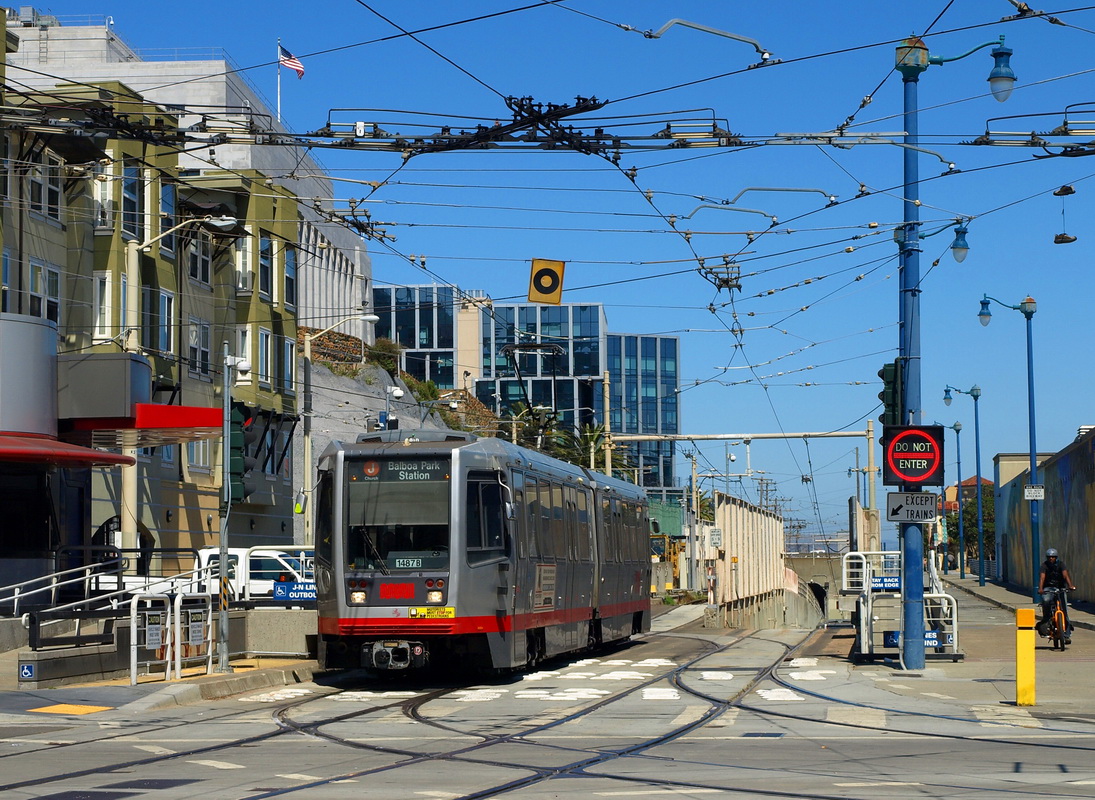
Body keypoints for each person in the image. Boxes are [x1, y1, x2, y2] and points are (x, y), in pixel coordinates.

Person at [1037, 548, 1076, 643]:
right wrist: (1041, 588)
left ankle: (1066, 634)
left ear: (1056, 557)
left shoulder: (1061, 564)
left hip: (1060, 588)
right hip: (1048, 588)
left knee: (1064, 610)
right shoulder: (1044, 565)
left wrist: (1070, 586)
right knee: (1046, 601)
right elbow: (1042, 577)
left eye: (1053, 557)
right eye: (1049, 557)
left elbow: (1065, 575)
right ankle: (1046, 620)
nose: (1051, 559)